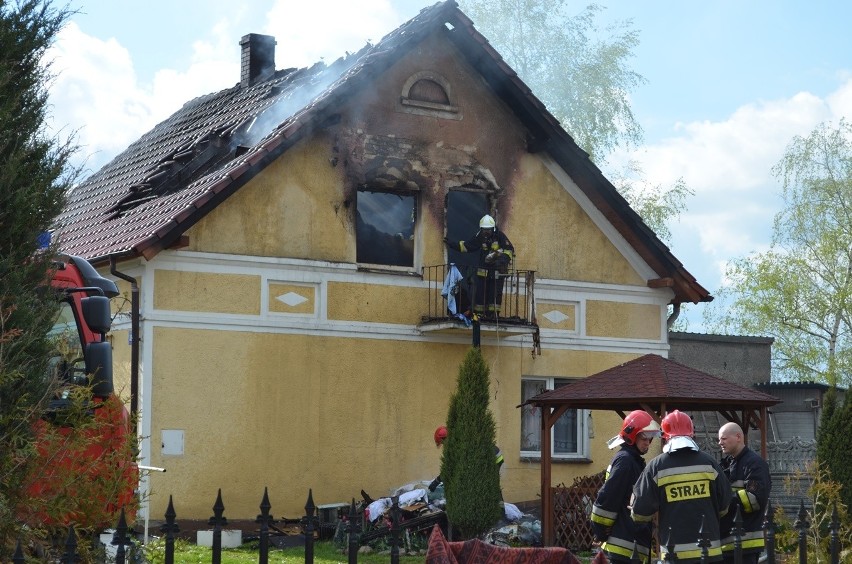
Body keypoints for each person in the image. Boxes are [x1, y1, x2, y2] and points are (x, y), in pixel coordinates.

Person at [631, 410, 733, 563]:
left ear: (665, 438)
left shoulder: (656, 467)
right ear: (692, 435)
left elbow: (639, 513)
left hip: (674, 556)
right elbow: (725, 505)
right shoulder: (710, 463)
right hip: (709, 554)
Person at [590, 410, 661, 563]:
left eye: (650, 439)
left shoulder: (633, 461)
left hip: (630, 543)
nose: (647, 443)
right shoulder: (626, 461)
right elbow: (608, 498)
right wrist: (600, 530)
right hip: (624, 547)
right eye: (643, 438)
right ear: (631, 436)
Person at [718, 422, 771, 564]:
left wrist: (722, 502)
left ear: (738, 437)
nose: (719, 443)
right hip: (725, 543)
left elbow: (754, 499)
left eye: (723, 439)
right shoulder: (727, 464)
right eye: (719, 439)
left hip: (745, 545)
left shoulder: (755, 464)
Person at [444, 214, 514, 319]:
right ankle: (480, 315)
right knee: (480, 295)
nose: (486, 232)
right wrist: (452, 244)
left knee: (494, 295)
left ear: (493, 229)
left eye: (488, 230)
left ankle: (493, 316)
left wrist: (501, 260)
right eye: (484, 230)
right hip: (483, 273)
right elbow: (467, 246)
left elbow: (509, 250)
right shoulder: (480, 236)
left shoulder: (500, 236)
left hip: (496, 273)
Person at [428, 425, 504, 492]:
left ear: (445, 439)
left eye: (442, 443)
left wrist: (436, 481)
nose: (443, 445)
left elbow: (450, 467)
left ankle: (499, 507)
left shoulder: (456, 445)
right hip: (493, 456)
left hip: (493, 458)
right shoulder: (459, 438)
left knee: (490, 487)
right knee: (491, 486)